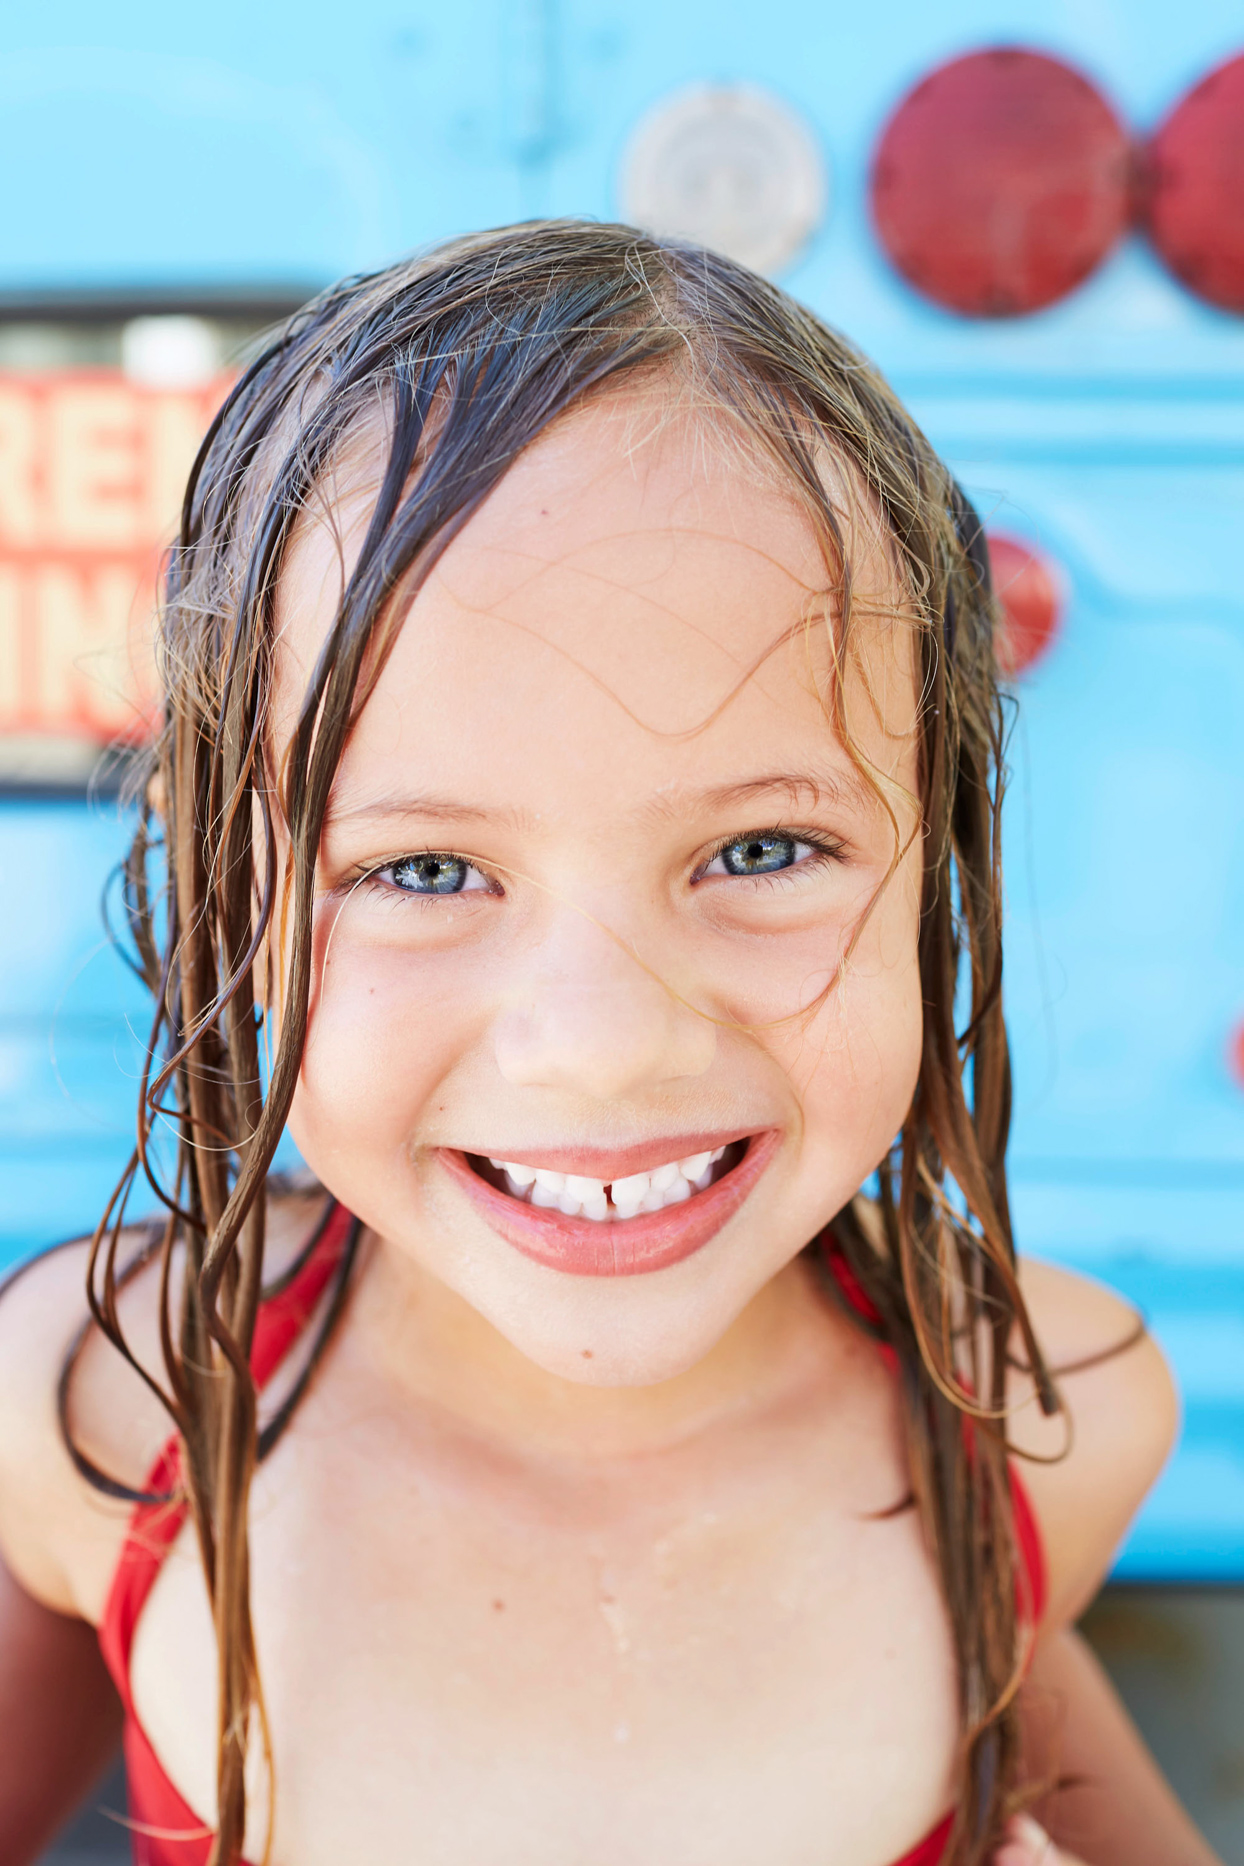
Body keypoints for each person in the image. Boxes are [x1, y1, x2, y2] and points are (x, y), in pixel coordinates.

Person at [0, 223, 1221, 1866]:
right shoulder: (110, 1410)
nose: (601, 1049)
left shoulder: (1035, 1416)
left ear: (932, 854)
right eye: (424, 870)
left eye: (762, 851)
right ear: (239, 904)